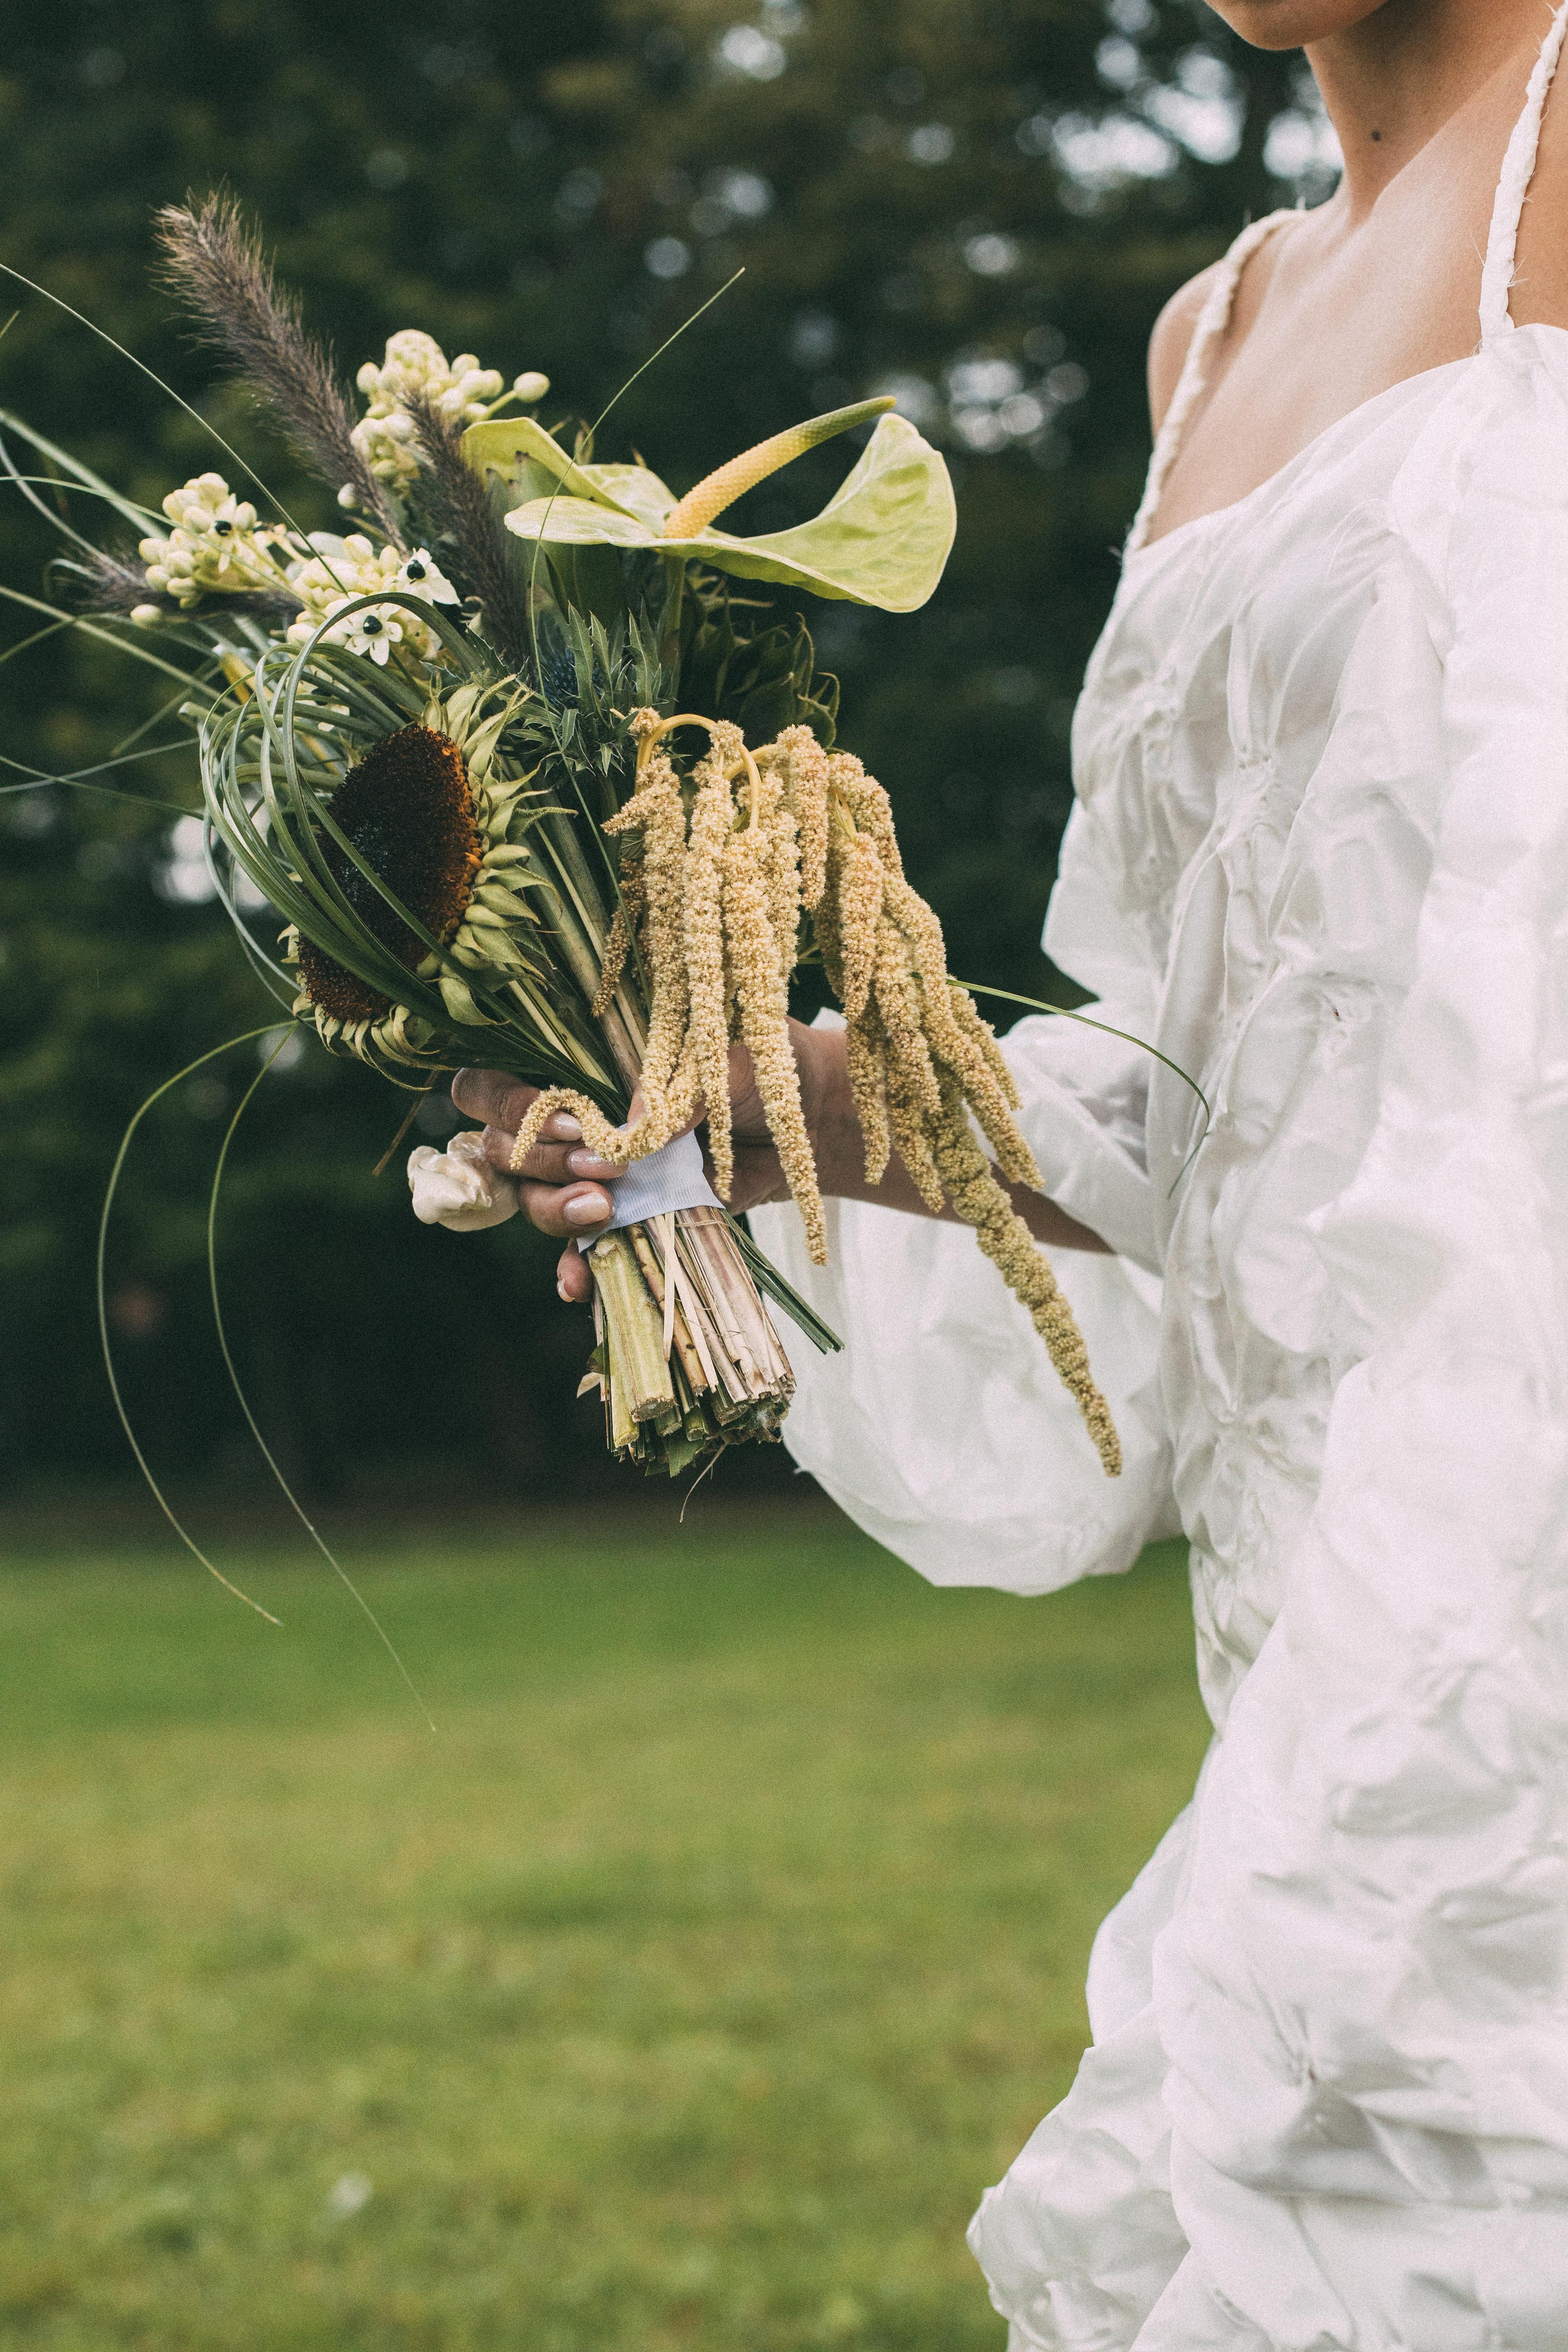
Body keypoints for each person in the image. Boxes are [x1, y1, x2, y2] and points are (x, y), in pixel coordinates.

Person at [453, 0, 1568, 2337]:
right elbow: (1187, 1096)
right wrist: (749, 1098)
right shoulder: (1212, 335)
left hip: (1509, 1550)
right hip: (1292, 1606)